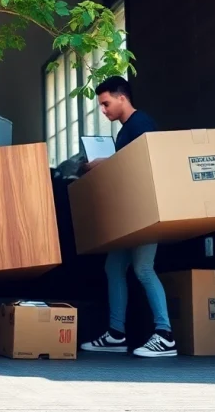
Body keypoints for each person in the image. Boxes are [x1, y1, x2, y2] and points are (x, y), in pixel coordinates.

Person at [80, 76, 177, 358]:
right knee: (113, 267)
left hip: (145, 209)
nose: (104, 110)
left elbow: (148, 162)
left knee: (144, 268)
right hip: (129, 212)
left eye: (106, 103)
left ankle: (165, 334)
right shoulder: (124, 132)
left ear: (122, 97)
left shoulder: (142, 124)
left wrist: (105, 163)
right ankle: (116, 333)